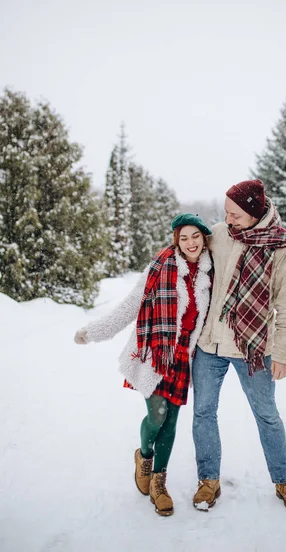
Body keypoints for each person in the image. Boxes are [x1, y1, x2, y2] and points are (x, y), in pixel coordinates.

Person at [74, 213, 213, 517]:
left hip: (182, 356)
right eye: (184, 237)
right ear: (177, 239)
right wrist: (93, 332)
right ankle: (144, 456)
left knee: (172, 421)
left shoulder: (208, 273)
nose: (190, 242)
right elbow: (130, 304)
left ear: (204, 239)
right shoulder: (160, 266)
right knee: (157, 415)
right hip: (154, 353)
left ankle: (159, 483)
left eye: (196, 236)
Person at [191, 179, 286, 513]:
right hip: (209, 344)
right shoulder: (219, 234)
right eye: (226, 213)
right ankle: (208, 480)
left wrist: (284, 355)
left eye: (236, 215)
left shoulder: (281, 249)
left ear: (255, 213)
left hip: (253, 348)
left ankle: (284, 480)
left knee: (267, 415)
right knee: (203, 412)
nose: (228, 220)